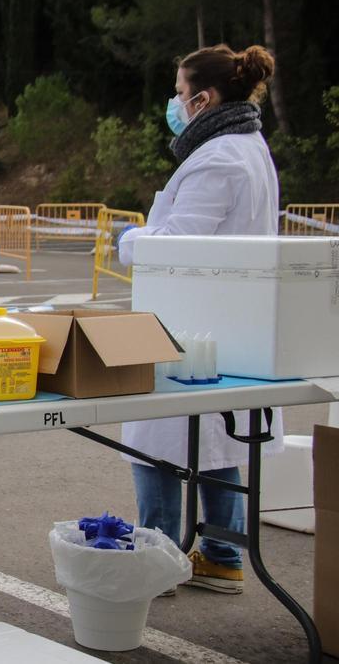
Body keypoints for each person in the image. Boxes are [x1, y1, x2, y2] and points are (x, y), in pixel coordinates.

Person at [116, 44, 280, 596]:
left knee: (157, 439)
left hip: (190, 326)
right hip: (228, 324)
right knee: (218, 443)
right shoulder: (249, 147)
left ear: (204, 98)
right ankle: (221, 553)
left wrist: (132, 239)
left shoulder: (218, 158)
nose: (175, 103)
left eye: (181, 94)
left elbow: (177, 244)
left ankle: (158, 556)